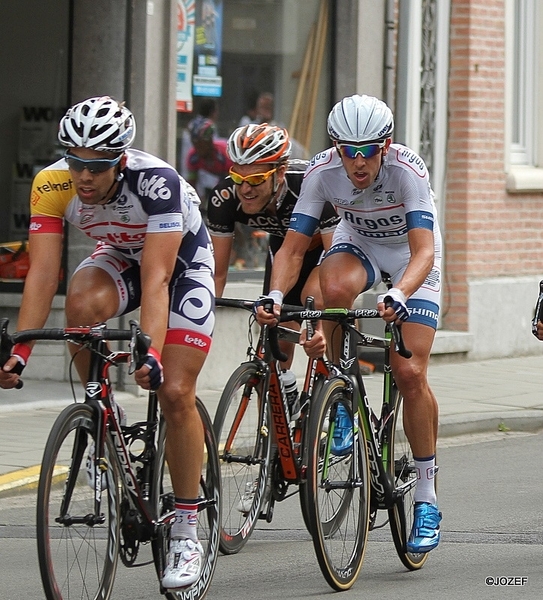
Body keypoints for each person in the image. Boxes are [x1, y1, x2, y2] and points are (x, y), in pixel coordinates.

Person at [0, 96, 215, 588]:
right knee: (79, 303)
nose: (83, 177)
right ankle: (102, 414)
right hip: (118, 253)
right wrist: (22, 349)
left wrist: (153, 354)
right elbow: (42, 274)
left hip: (179, 263)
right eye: (76, 163)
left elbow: (157, 280)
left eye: (96, 166)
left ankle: (185, 528)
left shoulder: (155, 183)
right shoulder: (51, 184)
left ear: (119, 159)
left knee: (175, 391)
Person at [256, 94, 443, 553]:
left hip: (409, 256)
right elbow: (294, 249)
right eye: (348, 151)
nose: (358, 163)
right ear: (336, 148)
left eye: (368, 151)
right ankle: (340, 395)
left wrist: (399, 293)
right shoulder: (321, 173)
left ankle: (426, 495)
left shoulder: (407, 170)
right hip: (356, 241)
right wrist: (276, 294)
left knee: (409, 371)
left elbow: (423, 252)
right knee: (324, 293)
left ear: (386, 145)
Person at [207, 123, 339, 415]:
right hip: (285, 247)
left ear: (279, 173)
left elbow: (336, 259)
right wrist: (202, 320)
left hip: (327, 246)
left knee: (317, 298)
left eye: (255, 179)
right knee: (276, 325)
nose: (245, 189)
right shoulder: (224, 199)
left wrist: (320, 324)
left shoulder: (310, 185)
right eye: (237, 178)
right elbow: (217, 272)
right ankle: (287, 390)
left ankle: (338, 390)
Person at [186, 116, 232, 215]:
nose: (198, 148)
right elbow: (191, 184)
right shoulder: (193, 157)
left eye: (201, 144)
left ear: (210, 140)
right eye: (195, 144)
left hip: (232, 176)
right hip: (216, 181)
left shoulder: (224, 153)